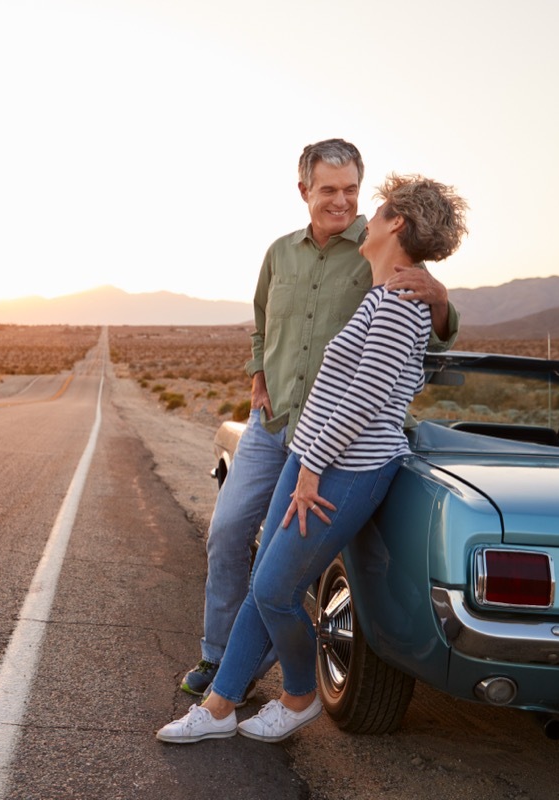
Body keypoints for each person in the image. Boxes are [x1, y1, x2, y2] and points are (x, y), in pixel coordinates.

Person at [158, 173, 469, 743]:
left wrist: (310, 467)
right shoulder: (377, 291)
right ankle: (220, 706)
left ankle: (299, 694)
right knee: (263, 582)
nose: (361, 216)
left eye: (372, 209)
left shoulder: (403, 302)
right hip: (310, 451)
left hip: (345, 470)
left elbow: (363, 400)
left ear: (395, 223)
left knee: (277, 589)